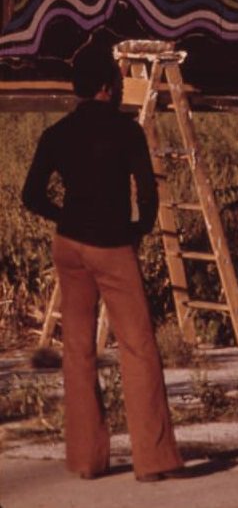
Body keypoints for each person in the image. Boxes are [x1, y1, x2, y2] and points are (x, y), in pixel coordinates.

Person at [22, 45, 184, 483]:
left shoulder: (56, 133)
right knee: (138, 347)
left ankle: (87, 460)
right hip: (112, 246)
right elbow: (147, 195)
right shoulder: (126, 130)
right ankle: (153, 460)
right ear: (108, 87)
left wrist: (67, 218)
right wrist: (138, 229)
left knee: (77, 350)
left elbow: (31, 195)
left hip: (69, 246)